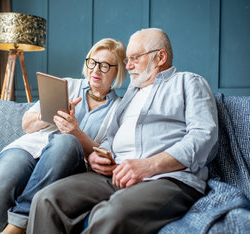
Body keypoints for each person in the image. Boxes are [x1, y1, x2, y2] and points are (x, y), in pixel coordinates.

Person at [27, 28, 219, 234]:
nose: (128, 66)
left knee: (110, 214)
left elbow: (204, 137)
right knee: (46, 199)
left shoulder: (188, 82)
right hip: (116, 175)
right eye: (127, 59)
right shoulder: (131, 94)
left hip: (167, 179)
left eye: (134, 58)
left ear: (160, 57)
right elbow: (112, 137)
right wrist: (98, 157)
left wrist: (148, 165)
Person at [0, 38, 127, 234]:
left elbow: (103, 153)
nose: (96, 70)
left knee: (66, 141)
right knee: (2, 178)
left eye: (105, 66)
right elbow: (27, 124)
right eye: (93, 62)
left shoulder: (118, 109)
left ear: (117, 72)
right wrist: (51, 114)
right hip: (29, 149)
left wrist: (75, 132)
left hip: (67, 162)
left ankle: (17, 225)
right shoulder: (66, 85)